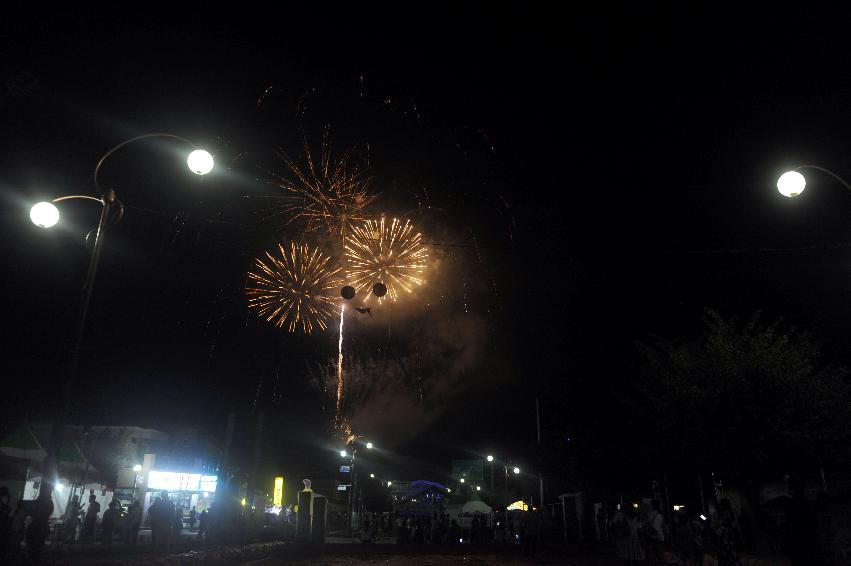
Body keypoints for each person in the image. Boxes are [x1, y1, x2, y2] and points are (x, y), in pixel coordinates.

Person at [784, 476, 820, 566]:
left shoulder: (791, 506)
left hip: (799, 544)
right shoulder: (808, 504)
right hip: (808, 543)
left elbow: (790, 526)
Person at [712, 499, 740, 566]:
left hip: (729, 538)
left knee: (730, 557)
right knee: (724, 557)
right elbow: (713, 526)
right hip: (722, 539)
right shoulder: (717, 514)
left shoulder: (731, 513)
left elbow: (735, 525)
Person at [643, 499, 665, 565]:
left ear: (653, 505)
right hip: (658, 537)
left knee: (653, 556)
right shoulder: (658, 515)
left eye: (650, 505)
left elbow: (655, 528)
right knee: (659, 556)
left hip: (652, 537)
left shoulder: (651, 514)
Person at [0, 486, 11, 556]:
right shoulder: (6, 508)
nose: (6, 499)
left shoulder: (7, 508)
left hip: (4, 530)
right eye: (4, 497)